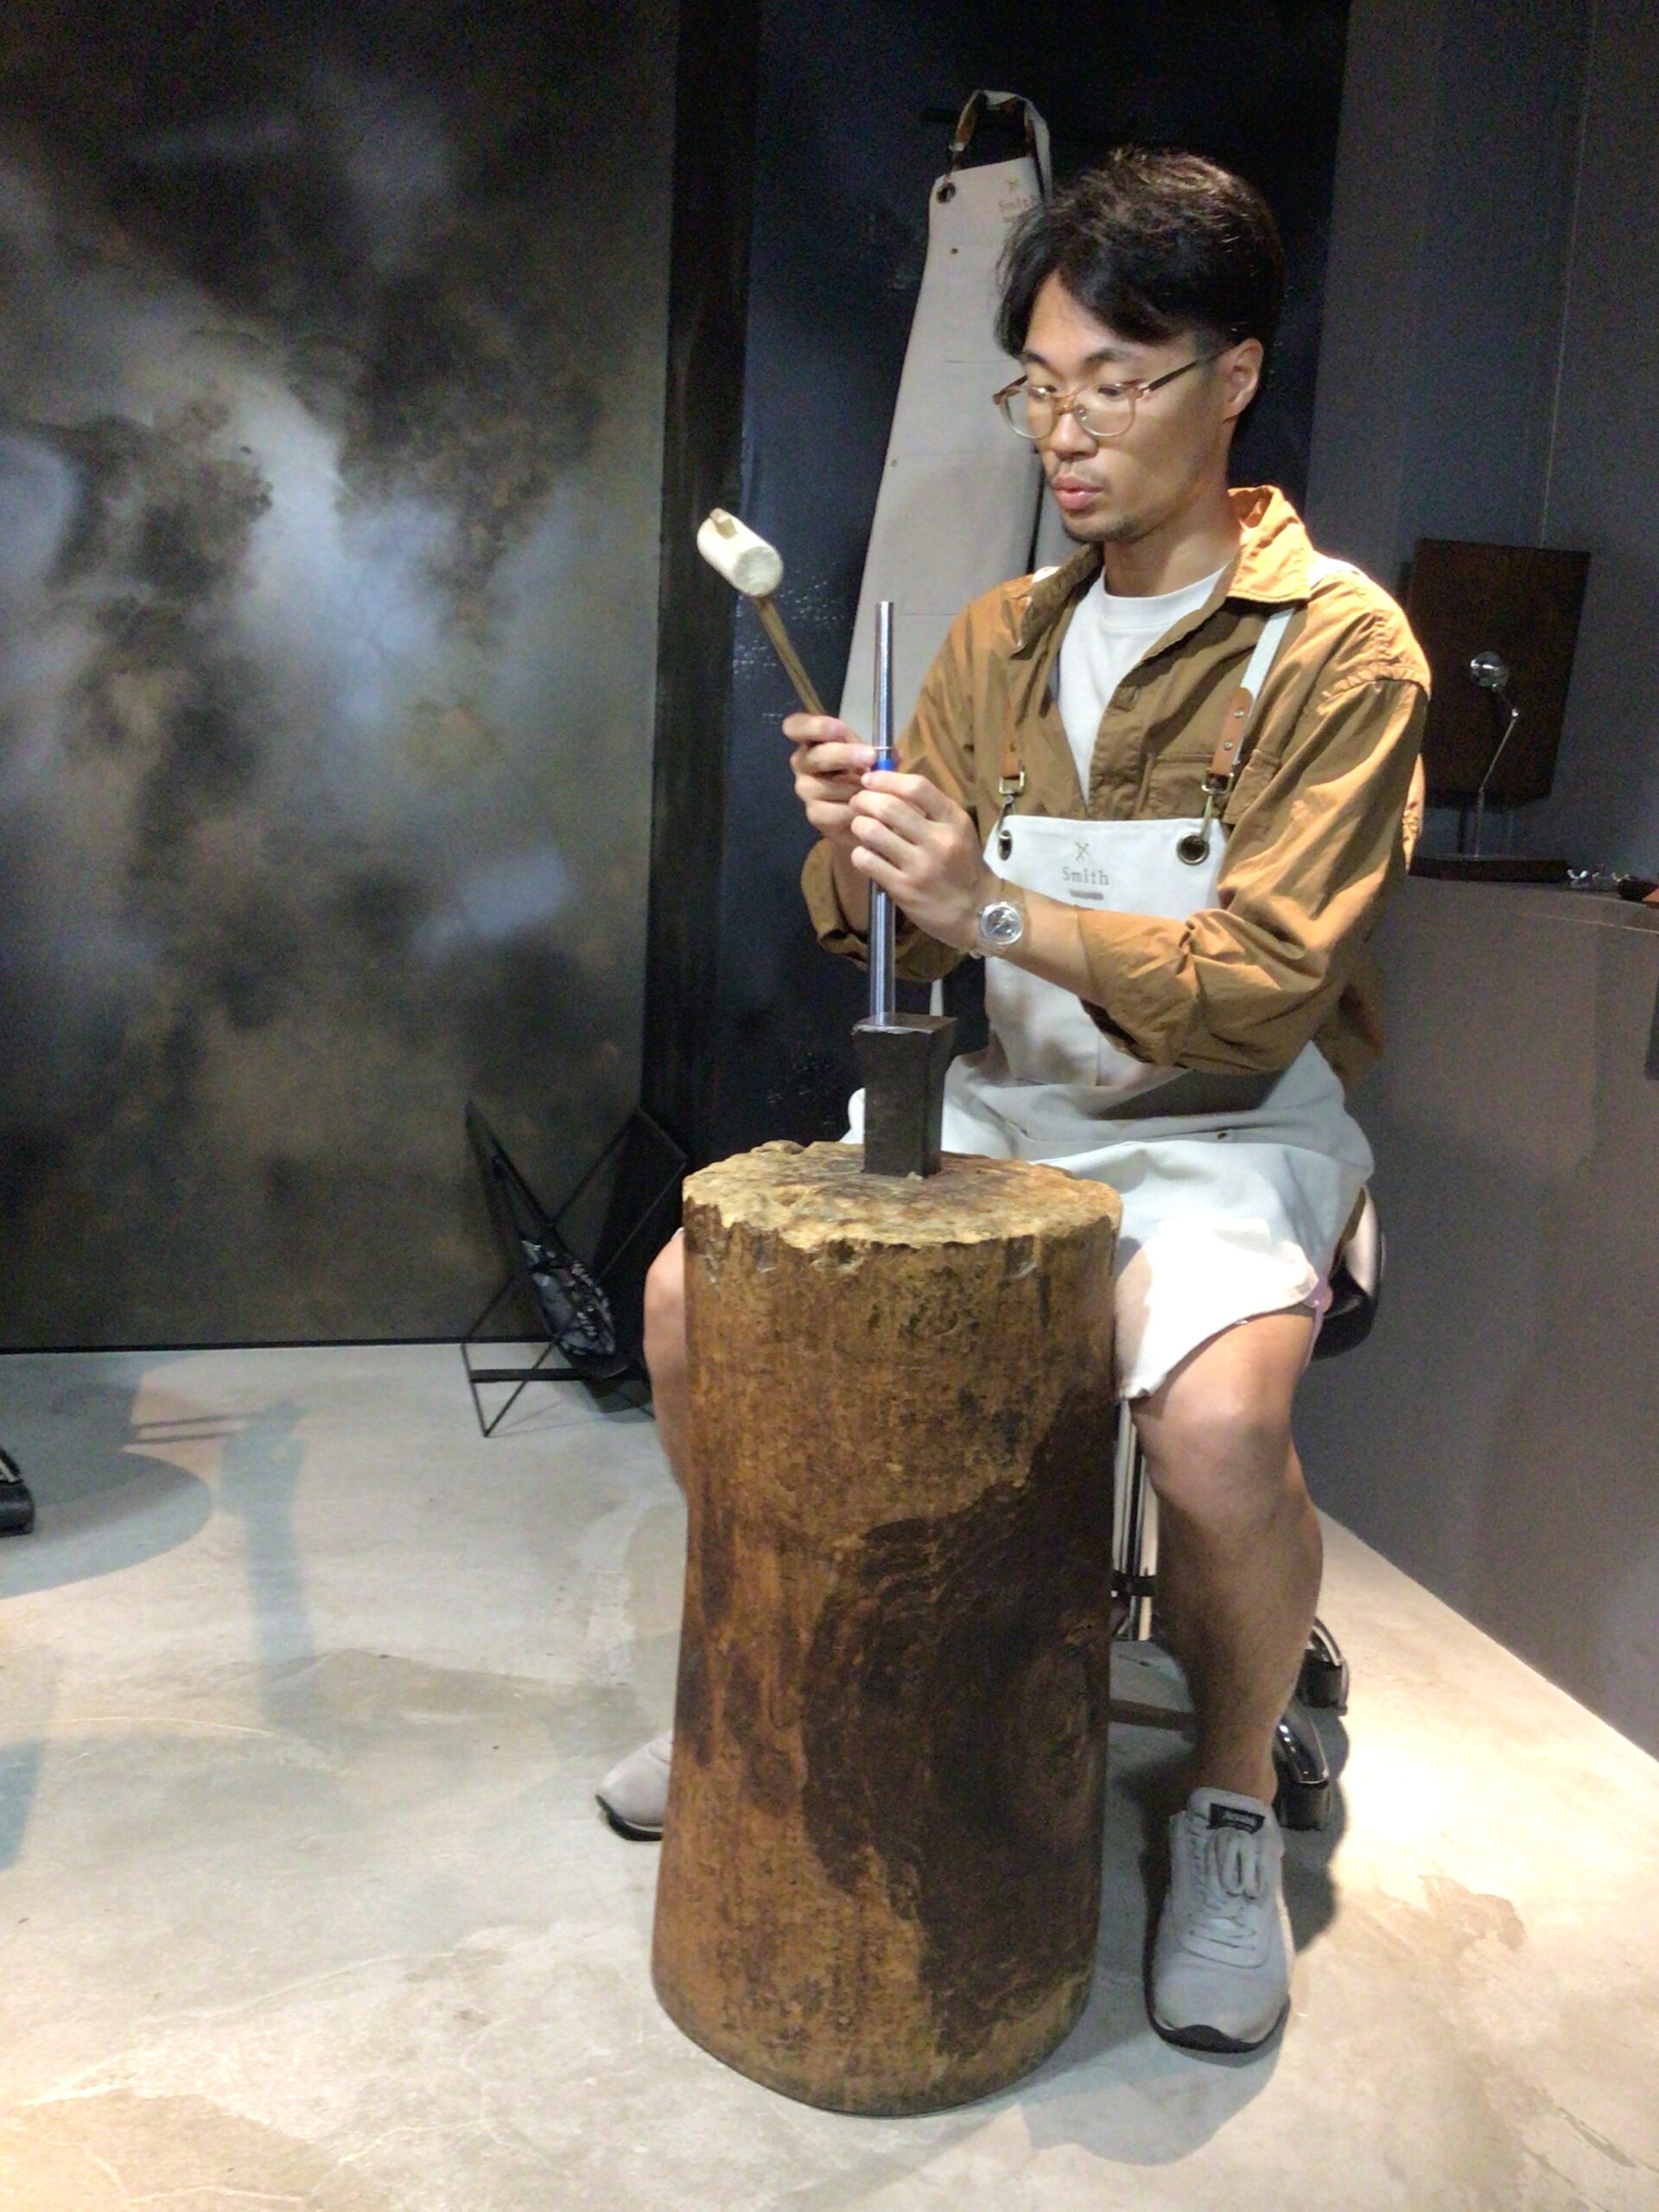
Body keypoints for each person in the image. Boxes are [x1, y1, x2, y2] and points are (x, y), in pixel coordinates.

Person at [599, 146, 1427, 2057]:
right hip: (1016, 1111)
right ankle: (763, 1687)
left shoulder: (1339, 649)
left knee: (1217, 1433)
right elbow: (875, 933)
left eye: (1115, 382)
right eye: (1039, 386)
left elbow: (1266, 978)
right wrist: (862, 846)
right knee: (693, 1306)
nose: (1067, 430)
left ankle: (1228, 1801)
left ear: (1234, 375)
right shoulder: (996, 640)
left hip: (1227, 1126)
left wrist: (989, 902)